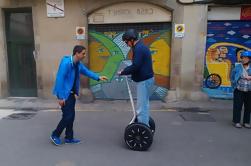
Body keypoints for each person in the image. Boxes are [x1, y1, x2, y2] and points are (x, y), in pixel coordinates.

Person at [50, 45, 108, 145]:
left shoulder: (78, 64)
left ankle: (69, 138)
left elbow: (86, 72)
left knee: (71, 117)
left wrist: (98, 77)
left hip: (71, 94)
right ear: (77, 53)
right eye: (83, 53)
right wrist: (60, 97)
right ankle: (55, 134)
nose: (84, 55)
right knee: (67, 116)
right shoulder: (66, 63)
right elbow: (60, 79)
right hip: (64, 94)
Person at [118, 29, 154, 127]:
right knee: (144, 105)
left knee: (141, 108)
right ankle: (145, 125)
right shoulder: (140, 47)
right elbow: (138, 66)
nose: (126, 44)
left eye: (126, 42)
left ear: (132, 39)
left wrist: (123, 72)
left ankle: (142, 129)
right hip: (146, 80)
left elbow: (136, 66)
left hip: (144, 81)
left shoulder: (139, 49)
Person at [231, 50, 251, 128]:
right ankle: (236, 121)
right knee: (237, 106)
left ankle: (246, 122)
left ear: (249, 59)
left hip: (249, 90)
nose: (244, 59)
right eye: (243, 57)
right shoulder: (237, 67)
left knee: (248, 107)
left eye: (246, 58)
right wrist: (234, 86)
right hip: (239, 90)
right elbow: (232, 77)